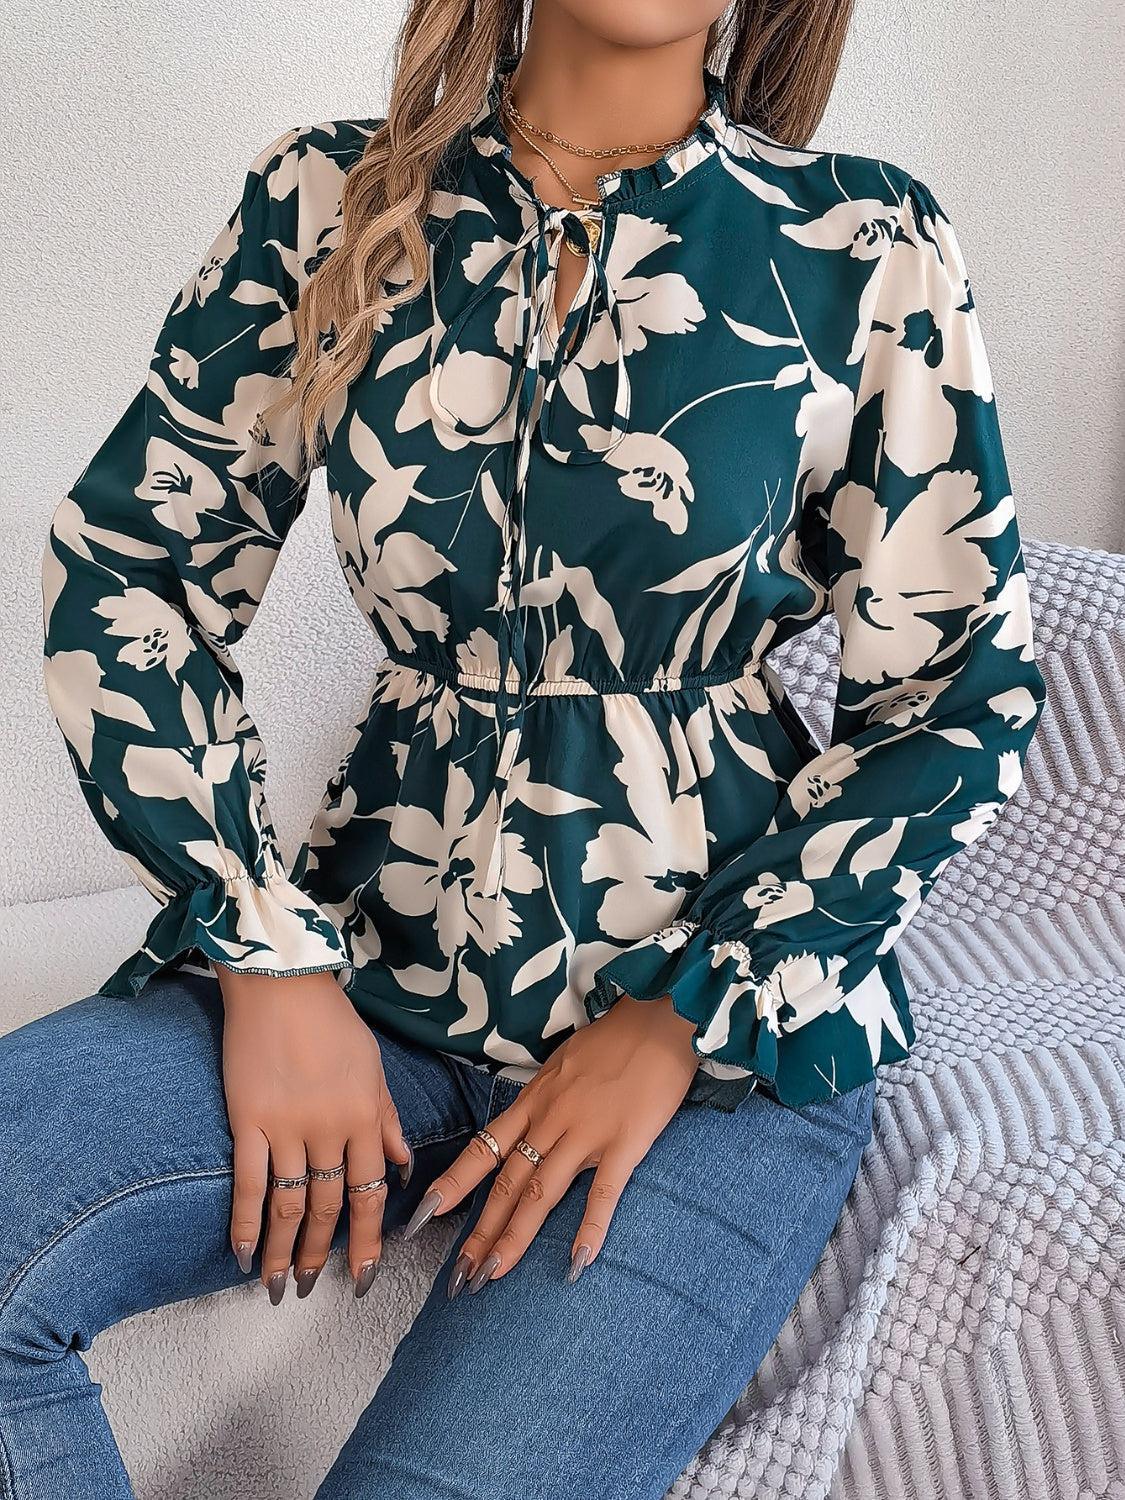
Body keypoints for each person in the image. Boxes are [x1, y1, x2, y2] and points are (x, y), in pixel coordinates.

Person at [9, 0, 1046, 1495]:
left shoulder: (862, 242)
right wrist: (262, 949)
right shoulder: (330, 201)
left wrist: (682, 1018)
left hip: (714, 1057)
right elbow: (133, 573)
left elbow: (951, 694)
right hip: (370, 971)